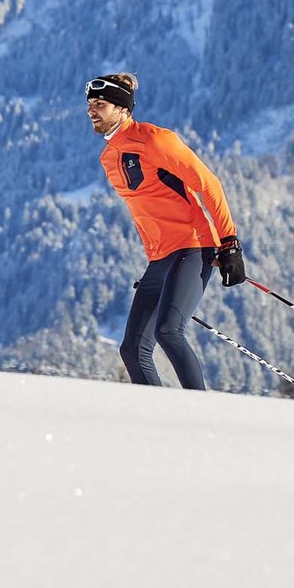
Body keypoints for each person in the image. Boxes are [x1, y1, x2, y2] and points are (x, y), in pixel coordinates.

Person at [87, 73, 245, 389]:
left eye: (100, 104)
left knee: (168, 331)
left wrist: (229, 243)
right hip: (161, 259)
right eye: (90, 104)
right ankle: (160, 418)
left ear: (122, 109)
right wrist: (153, 262)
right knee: (132, 349)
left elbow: (207, 184)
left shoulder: (155, 140)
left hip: (193, 246)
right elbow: (144, 211)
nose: (92, 111)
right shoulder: (109, 157)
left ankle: (199, 412)